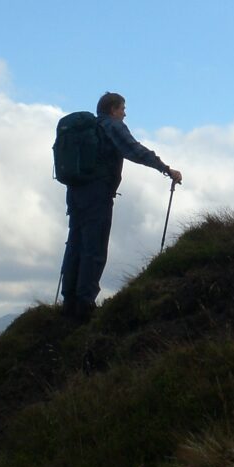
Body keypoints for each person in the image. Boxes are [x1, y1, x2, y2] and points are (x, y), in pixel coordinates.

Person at [59, 92, 182, 321]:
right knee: (93, 248)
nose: (125, 113)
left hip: (75, 193)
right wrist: (165, 168)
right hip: (97, 194)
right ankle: (84, 305)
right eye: (123, 108)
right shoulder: (112, 126)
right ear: (113, 109)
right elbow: (134, 150)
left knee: (75, 244)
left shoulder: (89, 129)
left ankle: (69, 302)